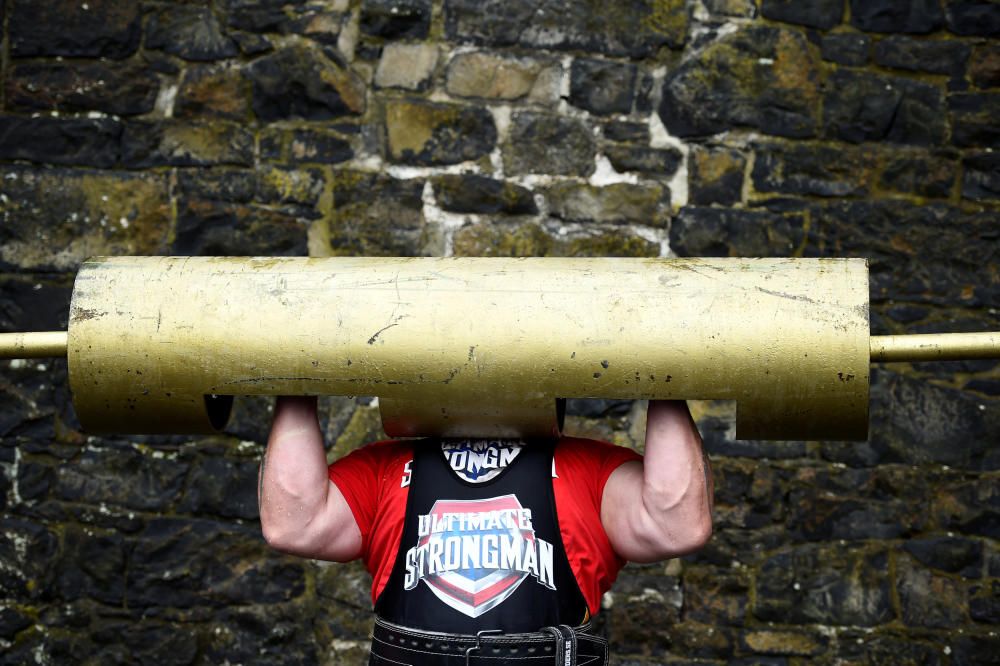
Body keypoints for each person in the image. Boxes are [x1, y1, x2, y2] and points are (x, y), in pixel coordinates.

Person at [259, 396, 713, 665]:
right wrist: (294, 381)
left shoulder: (587, 468)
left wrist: (665, 381)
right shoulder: (384, 468)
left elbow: (676, 526)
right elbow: (293, 525)